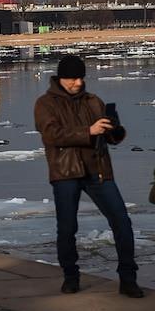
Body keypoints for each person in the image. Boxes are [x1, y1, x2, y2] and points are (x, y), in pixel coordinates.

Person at [34, 54, 144, 298]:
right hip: (65, 171)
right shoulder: (45, 104)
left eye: (81, 78)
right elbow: (52, 135)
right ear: (61, 78)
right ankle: (70, 277)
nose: (78, 83)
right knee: (67, 228)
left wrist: (114, 130)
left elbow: (109, 138)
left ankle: (128, 279)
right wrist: (89, 131)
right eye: (73, 78)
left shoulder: (93, 101)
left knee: (122, 221)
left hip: (98, 169)